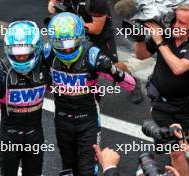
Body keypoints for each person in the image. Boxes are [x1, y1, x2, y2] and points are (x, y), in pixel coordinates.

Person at [44, 12, 136, 176]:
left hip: (88, 120)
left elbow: (131, 84)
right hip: (62, 118)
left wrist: (113, 70)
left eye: (71, 43)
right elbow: (39, 82)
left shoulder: (93, 56)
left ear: (80, 38)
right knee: (68, 167)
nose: (67, 48)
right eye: (61, 44)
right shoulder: (47, 53)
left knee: (87, 170)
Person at [134, 3, 189, 176]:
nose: (176, 25)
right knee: (175, 153)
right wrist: (139, 38)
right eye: (175, 20)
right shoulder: (166, 31)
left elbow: (179, 68)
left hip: (187, 108)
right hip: (161, 106)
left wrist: (159, 41)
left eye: (182, 23)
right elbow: (141, 55)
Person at [0, 21, 51, 176]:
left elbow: (64, 90)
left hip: (35, 138)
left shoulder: (45, 69)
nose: (20, 57)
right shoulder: (1, 72)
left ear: (36, 48)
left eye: (25, 52)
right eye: (16, 52)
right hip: (8, 139)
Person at [48, 0, 144, 104]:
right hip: (76, 34)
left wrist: (73, 26)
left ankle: (134, 82)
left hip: (99, 37)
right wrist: (52, 4)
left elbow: (97, 28)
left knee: (114, 66)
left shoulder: (97, 2)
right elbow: (54, 2)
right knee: (71, 58)